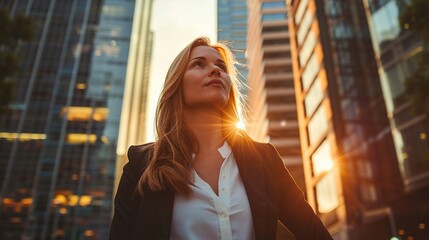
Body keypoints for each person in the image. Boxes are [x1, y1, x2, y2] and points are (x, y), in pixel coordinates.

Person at [109, 37, 332, 240]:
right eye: (199, 64)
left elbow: (315, 234)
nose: (215, 70)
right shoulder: (141, 166)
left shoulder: (265, 159)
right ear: (177, 84)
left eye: (221, 66)